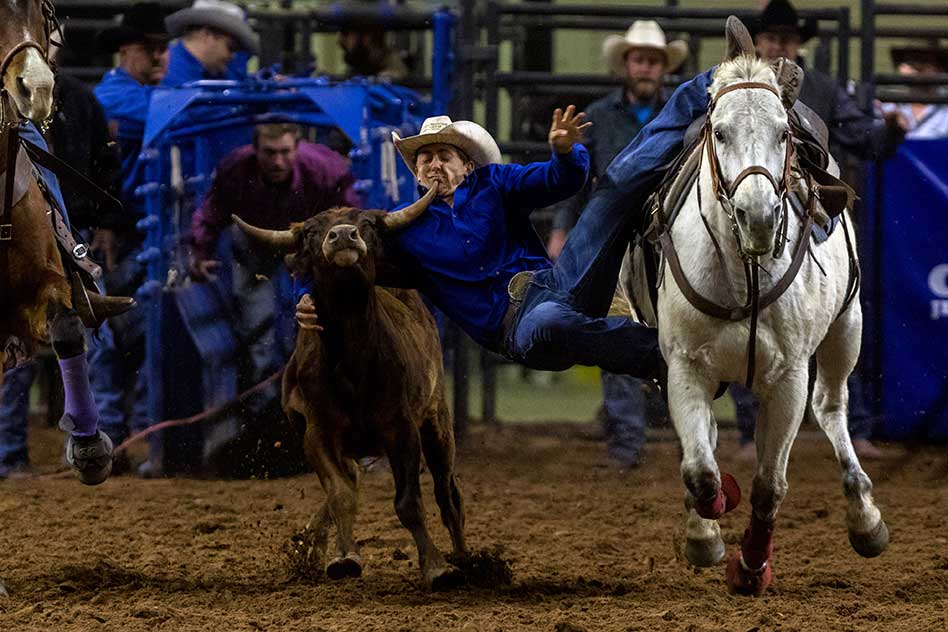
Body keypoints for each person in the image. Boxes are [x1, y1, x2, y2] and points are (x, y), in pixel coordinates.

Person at [296, 108, 673, 390]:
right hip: (518, 327)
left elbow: (561, 181)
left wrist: (563, 152)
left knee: (616, 188)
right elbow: (344, 262)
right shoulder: (401, 230)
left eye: (445, 156)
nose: (434, 165)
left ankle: (710, 86)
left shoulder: (493, 182)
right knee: (550, 322)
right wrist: (306, 294)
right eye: (425, 159)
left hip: (557, 282)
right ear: (415, 172)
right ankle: (671, 359)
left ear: (467, 165)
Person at [732, 0, 911, 462]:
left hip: (811, 218)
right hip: (761, 215)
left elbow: (860, 134)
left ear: (798, 45)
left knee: (842, 314)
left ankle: (855, 424)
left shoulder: (823, 90)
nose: (778, 46)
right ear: (760, 41)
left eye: (786, 39)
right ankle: (752, 433)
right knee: (745, 315)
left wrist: (887, 131)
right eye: (771, 38)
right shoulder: (741, 90)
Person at [547, 21, 686, 467]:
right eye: (640, 59)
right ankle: (628, 441)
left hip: (673, 236)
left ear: (662, 68)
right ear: (627, 65)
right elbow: (578, 177)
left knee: (683, 332)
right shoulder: (598, 117)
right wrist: (562, 225)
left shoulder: (684, 115)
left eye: (653, 61)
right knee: (616, 329)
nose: (646, 68)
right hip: (616, 238)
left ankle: (682, 436)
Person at [187, 123, 359, 471]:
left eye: (284, 152)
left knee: (323, 330)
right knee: (259, 337)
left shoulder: (325, 169)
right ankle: (271, 425)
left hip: (314, 250)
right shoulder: (235, 169)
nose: (278, 161)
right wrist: (200, 249)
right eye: (269, 153)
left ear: (297, 147)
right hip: (257, 246)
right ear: (256, 150)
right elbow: (212, 211)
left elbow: (350, 215)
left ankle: (329, 425)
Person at [162, 0, 260, 87]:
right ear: (208, 35)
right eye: (231, 47)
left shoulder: (220, 71)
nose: (233, 56)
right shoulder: (164, 70)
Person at [880, 44, 948, 139]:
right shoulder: (887, 105)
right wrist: (889, 127)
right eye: (910, 62)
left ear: (940, 69)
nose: (917, 68)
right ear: (902, 68)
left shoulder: (945, 107)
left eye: (925, 61)